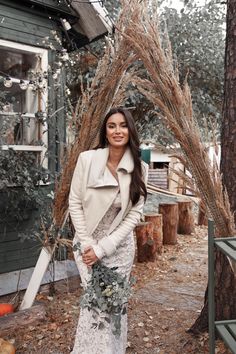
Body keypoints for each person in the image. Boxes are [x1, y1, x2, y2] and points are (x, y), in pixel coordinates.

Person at [69, 107, 148, 354]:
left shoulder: (140, 167)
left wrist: (104, 248)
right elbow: (75, 203)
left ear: (130, 130)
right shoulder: (87, 160)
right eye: (112, 125)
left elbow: (135, 213)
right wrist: (88, 244)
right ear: (105, 130)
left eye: (123, 125)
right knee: (94, 305)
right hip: (87, 243)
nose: (117, 131)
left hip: (119, 247)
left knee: (115, 305)